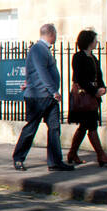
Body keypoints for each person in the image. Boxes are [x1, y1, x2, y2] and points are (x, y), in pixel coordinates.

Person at [12, 23, 75, 172]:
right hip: (39, 97)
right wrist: (54, 91)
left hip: (47, 96)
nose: (57, 36)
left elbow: (33, 72)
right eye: (56, 34)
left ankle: (54, 161)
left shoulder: (41, 49)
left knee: (54, 128)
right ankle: (18, 158)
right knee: (31, 128)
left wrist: (30, 82)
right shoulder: (38, 49)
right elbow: (41, 72)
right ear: (51, 34)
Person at [67, 28, 107, 167]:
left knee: (84, 126)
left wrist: (102, 88)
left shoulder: (93, 58)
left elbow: (99, 76)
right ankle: (101, 155)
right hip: (83, 97)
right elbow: (79, 78)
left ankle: (72, 153)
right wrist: (94, 90)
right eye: (95, 40)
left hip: (92, 98)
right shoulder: (78, 57)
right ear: (89, 42)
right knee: (91, 125)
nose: (97, 42)